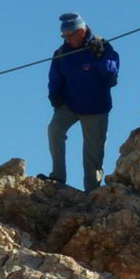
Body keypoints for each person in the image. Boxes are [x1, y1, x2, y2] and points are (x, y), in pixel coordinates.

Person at [45, 13, 120, 189]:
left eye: (70, 36)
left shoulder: (103, 46)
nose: (67, 40)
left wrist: (99, 57)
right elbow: (55, 78)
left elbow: (111, 78)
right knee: (54, 130)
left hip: (96, 108)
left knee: (93, 153)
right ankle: (58, 177)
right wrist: (54, 95)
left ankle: (91, 192)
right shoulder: (61, 53)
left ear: (81, 31)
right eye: (64, 36)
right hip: (70, 105)